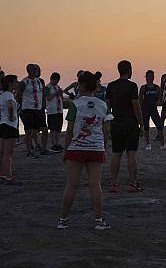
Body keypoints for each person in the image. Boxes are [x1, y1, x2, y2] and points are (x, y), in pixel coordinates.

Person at [57, 71, 110, 230]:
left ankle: (63, 219)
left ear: (82, 86)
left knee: (72, 184)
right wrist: (103, 147)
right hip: (96, 148)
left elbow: (70, 130)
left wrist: (66, 150)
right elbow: (106, 130)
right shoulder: (103, 105)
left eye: (78, 84)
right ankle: (99, 220)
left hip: (76, 148)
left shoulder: (75, 104)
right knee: (95, 184)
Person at [107, 60, 144, 193]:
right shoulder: (132, 86)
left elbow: (108, 108)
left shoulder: (110, 86)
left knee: (116, 154)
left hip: (116, 123)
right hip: (130, 123)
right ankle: (132, 184)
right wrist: (141, 124)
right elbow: (136, 106)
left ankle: (113, 184)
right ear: (129, 70)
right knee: (131, 154)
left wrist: (109, 124)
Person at [16, 63, 50, 157]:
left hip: (39, 109)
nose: (36, 71)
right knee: (28, 131)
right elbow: (18, 96)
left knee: (44, 129)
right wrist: (20, 106)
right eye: (33, 69)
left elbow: (43, 94)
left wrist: (43, 105)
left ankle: (43, 149)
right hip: (27, 109)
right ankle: (29, 151)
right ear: (28, 70)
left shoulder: (40, 81)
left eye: (36, 69)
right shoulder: (24, 82)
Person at [139, 70, 165, 150]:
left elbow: (160, 99)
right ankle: (148, 144)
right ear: (146, 77)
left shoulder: (157, 88)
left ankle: (162, 145)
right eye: (148, 76)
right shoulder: (143, 88)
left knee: (159, 126)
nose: (150, 78)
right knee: (146, 127)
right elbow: (139, 99)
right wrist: (140, 109)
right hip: (145, 110)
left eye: (152, 76)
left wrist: (158, 102)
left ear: (153, 77)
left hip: (154, 110)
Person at [0, 75, 19, 183]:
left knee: (2, 152)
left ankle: (2, 174)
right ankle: (8, 175)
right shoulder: (9, 95)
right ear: (10, 84)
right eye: (15, 82)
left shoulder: (2, 95)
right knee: (8, 153)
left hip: (2, 124)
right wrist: (11, 117)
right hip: (9, 125)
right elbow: (10, 106)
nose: (17, 84)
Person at [45, 72, 65, 152]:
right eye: (56, 80)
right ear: (52, 79)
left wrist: (61, 94)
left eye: (58, 80)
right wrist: (55, 93)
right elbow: (48, 98)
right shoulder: (47, 87)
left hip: (59, 110)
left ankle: (57, 143)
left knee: (58, 129)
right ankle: (53, 145)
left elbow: (62, 98)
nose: (57, 82)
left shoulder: (58, 87)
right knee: (52, 129)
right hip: (52, 111)